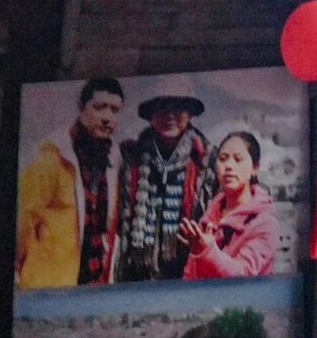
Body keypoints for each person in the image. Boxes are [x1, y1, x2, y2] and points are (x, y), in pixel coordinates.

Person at [15, 78, 125, 288]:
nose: (107, 118)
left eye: (114, 110)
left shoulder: (114, 160)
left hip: (94, 283)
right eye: (99, 107)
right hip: (49, 283)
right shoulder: (52, 157)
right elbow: (23, 218)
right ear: (82, 109)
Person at [117, 93, 215, 282]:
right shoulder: (130, 157)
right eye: (161, 107)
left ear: (189, 114)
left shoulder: (206, 161)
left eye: (177, 108)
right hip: (137, 271)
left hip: (187, 270)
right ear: (150, 115)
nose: (169, 115)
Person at [181, 129, 279, 280]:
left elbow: (244, 274)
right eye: (223, 158)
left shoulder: (264, 223)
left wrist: (207, 251)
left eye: (238, 159)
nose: (228, 166)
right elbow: (189, 274)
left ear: (255, 168)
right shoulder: (210, 217)